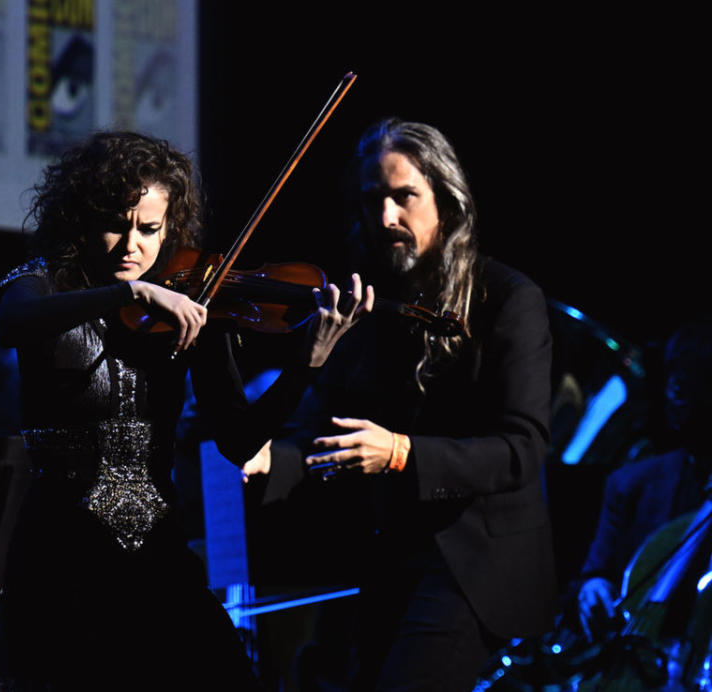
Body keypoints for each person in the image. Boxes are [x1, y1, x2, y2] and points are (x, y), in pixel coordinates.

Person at [0, 131, 370, 690]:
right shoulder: (42, 285)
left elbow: (239, 441)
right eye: (115, 224)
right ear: (79, 217)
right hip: (61, 549)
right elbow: (10, 325)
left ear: (170, 227)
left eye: (149, 229)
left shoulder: (195, 303)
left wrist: (307, 364)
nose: (131, 246)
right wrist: (130, 294)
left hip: (155, 553)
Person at [260, 118, 556, 690]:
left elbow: (521, 450)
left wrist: (399, 453)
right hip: (387, 560)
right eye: (374, 201)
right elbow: (324, 431)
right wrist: (273, 458)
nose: (388, 218)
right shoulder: (366, 304)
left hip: (474, 566)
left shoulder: (508, 300)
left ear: (445, 199)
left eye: (404, 197)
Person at [576, 322, 712, 642]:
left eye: (694, 385)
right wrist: (593, 590)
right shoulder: (630, 483)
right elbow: (597, 573)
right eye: (674, 382)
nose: (674, 395)